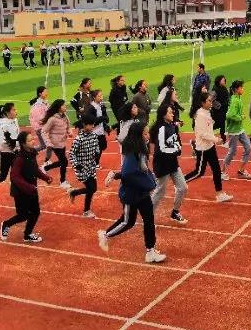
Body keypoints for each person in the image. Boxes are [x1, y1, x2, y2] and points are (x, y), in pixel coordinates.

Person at [97, 122, 166, 263]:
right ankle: (105, 234)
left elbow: (142, 170)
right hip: (131, 195)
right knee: (128, 221)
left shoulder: (141, 149)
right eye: (145, 133)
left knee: (149, 220)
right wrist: (148, 183)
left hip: (142, 193)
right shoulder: (132, 152)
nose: (148, 135)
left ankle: (150, 251)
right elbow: (128, 173)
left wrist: (149, 179)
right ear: (138, 136)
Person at [0, 131, 52, 243]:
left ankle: (27, 235)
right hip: (20, 192)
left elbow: (35, 169)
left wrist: (45, 177)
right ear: (23, 144)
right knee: (23, 215)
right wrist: (29, 187)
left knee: (35, 213)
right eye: (29, 140)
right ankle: (6, 224)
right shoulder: (19, 158)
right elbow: (14, 177)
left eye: (32, 139)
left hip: (32, 190)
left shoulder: (32, 152)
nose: (33, 141)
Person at [185, 91, 232, 202]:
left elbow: (208, 130)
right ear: (203, 102)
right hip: (202, 149)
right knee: (199, 172)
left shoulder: (207, 112)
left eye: (211, 100)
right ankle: (181, 183)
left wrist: (214, 138)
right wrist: (216, 139)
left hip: (210, 146)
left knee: (216, 170)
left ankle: (220, 194)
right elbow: (202, 134)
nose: (211, 103)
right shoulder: (200, 115)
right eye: (209, 101)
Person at [151, 104, 189, 223]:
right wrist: (175, 150)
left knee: (183, 187)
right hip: (162, 164)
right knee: (160, 192)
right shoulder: (161, 128)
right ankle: (148, 215)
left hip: (172, 163)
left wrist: (177, 147)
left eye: (172, 112)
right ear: (163, 115)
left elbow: (175, 141)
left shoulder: (171, 125)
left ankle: (175, 212)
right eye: (170, 112)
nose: (173, 113)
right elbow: (162, 148)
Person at [68, 114, 101, 218]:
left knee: (93, 189)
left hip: (91, 167)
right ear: (84, 125)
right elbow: (72, 153)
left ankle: (74, 192)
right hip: (81, 168)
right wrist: (76, 164)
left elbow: (96, 147)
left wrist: (96, 152)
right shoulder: (79, 139)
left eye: (93, 125)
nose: (92, 127)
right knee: (91, 188)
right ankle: (86, 211)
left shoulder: (94, 136)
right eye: (90, 125)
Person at [222, 80, 251, 181]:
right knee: (232, 151)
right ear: (236, 89)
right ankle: (222, 172)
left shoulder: (237, 98)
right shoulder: (235, 100)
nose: (243, 89)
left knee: (248, 148)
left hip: (240, 129)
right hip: (233, 131)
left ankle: (241, 171)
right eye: (241, 87)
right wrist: (241, 117)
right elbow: (230, 115)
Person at [40, 99, 72, 190]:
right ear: (59, 108)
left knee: (63, 161)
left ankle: (45, 168)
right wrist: (49, 143)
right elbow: (43, 131)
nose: (65, 106)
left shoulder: (64, 116)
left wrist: (69, 132)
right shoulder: (52, 119)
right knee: (64, 162)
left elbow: (68, 126)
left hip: (62, 142)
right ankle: (62, 181)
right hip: (55, 144)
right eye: (63, 105)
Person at [29, 86, 51, 163]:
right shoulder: (37, 105)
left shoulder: (45, 102)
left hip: (44, 127)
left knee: (45, 145)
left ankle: (29, 152)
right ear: (40, 94)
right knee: (47, 145)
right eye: (45, 91)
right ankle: (47, 161)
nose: (47, 93)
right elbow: (40, 119)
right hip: (40, 128)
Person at [210, 75, 229, 145]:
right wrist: (219, 106)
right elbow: (211, 99)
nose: (225, 81)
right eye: (223, 80)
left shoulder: (224, 88)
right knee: (218, 125)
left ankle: (223, 140)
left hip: (223, 110)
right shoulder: (215, 89)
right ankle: (206, 132)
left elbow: (227, 96)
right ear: (219, 81)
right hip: (217, 112)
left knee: (222, 125)